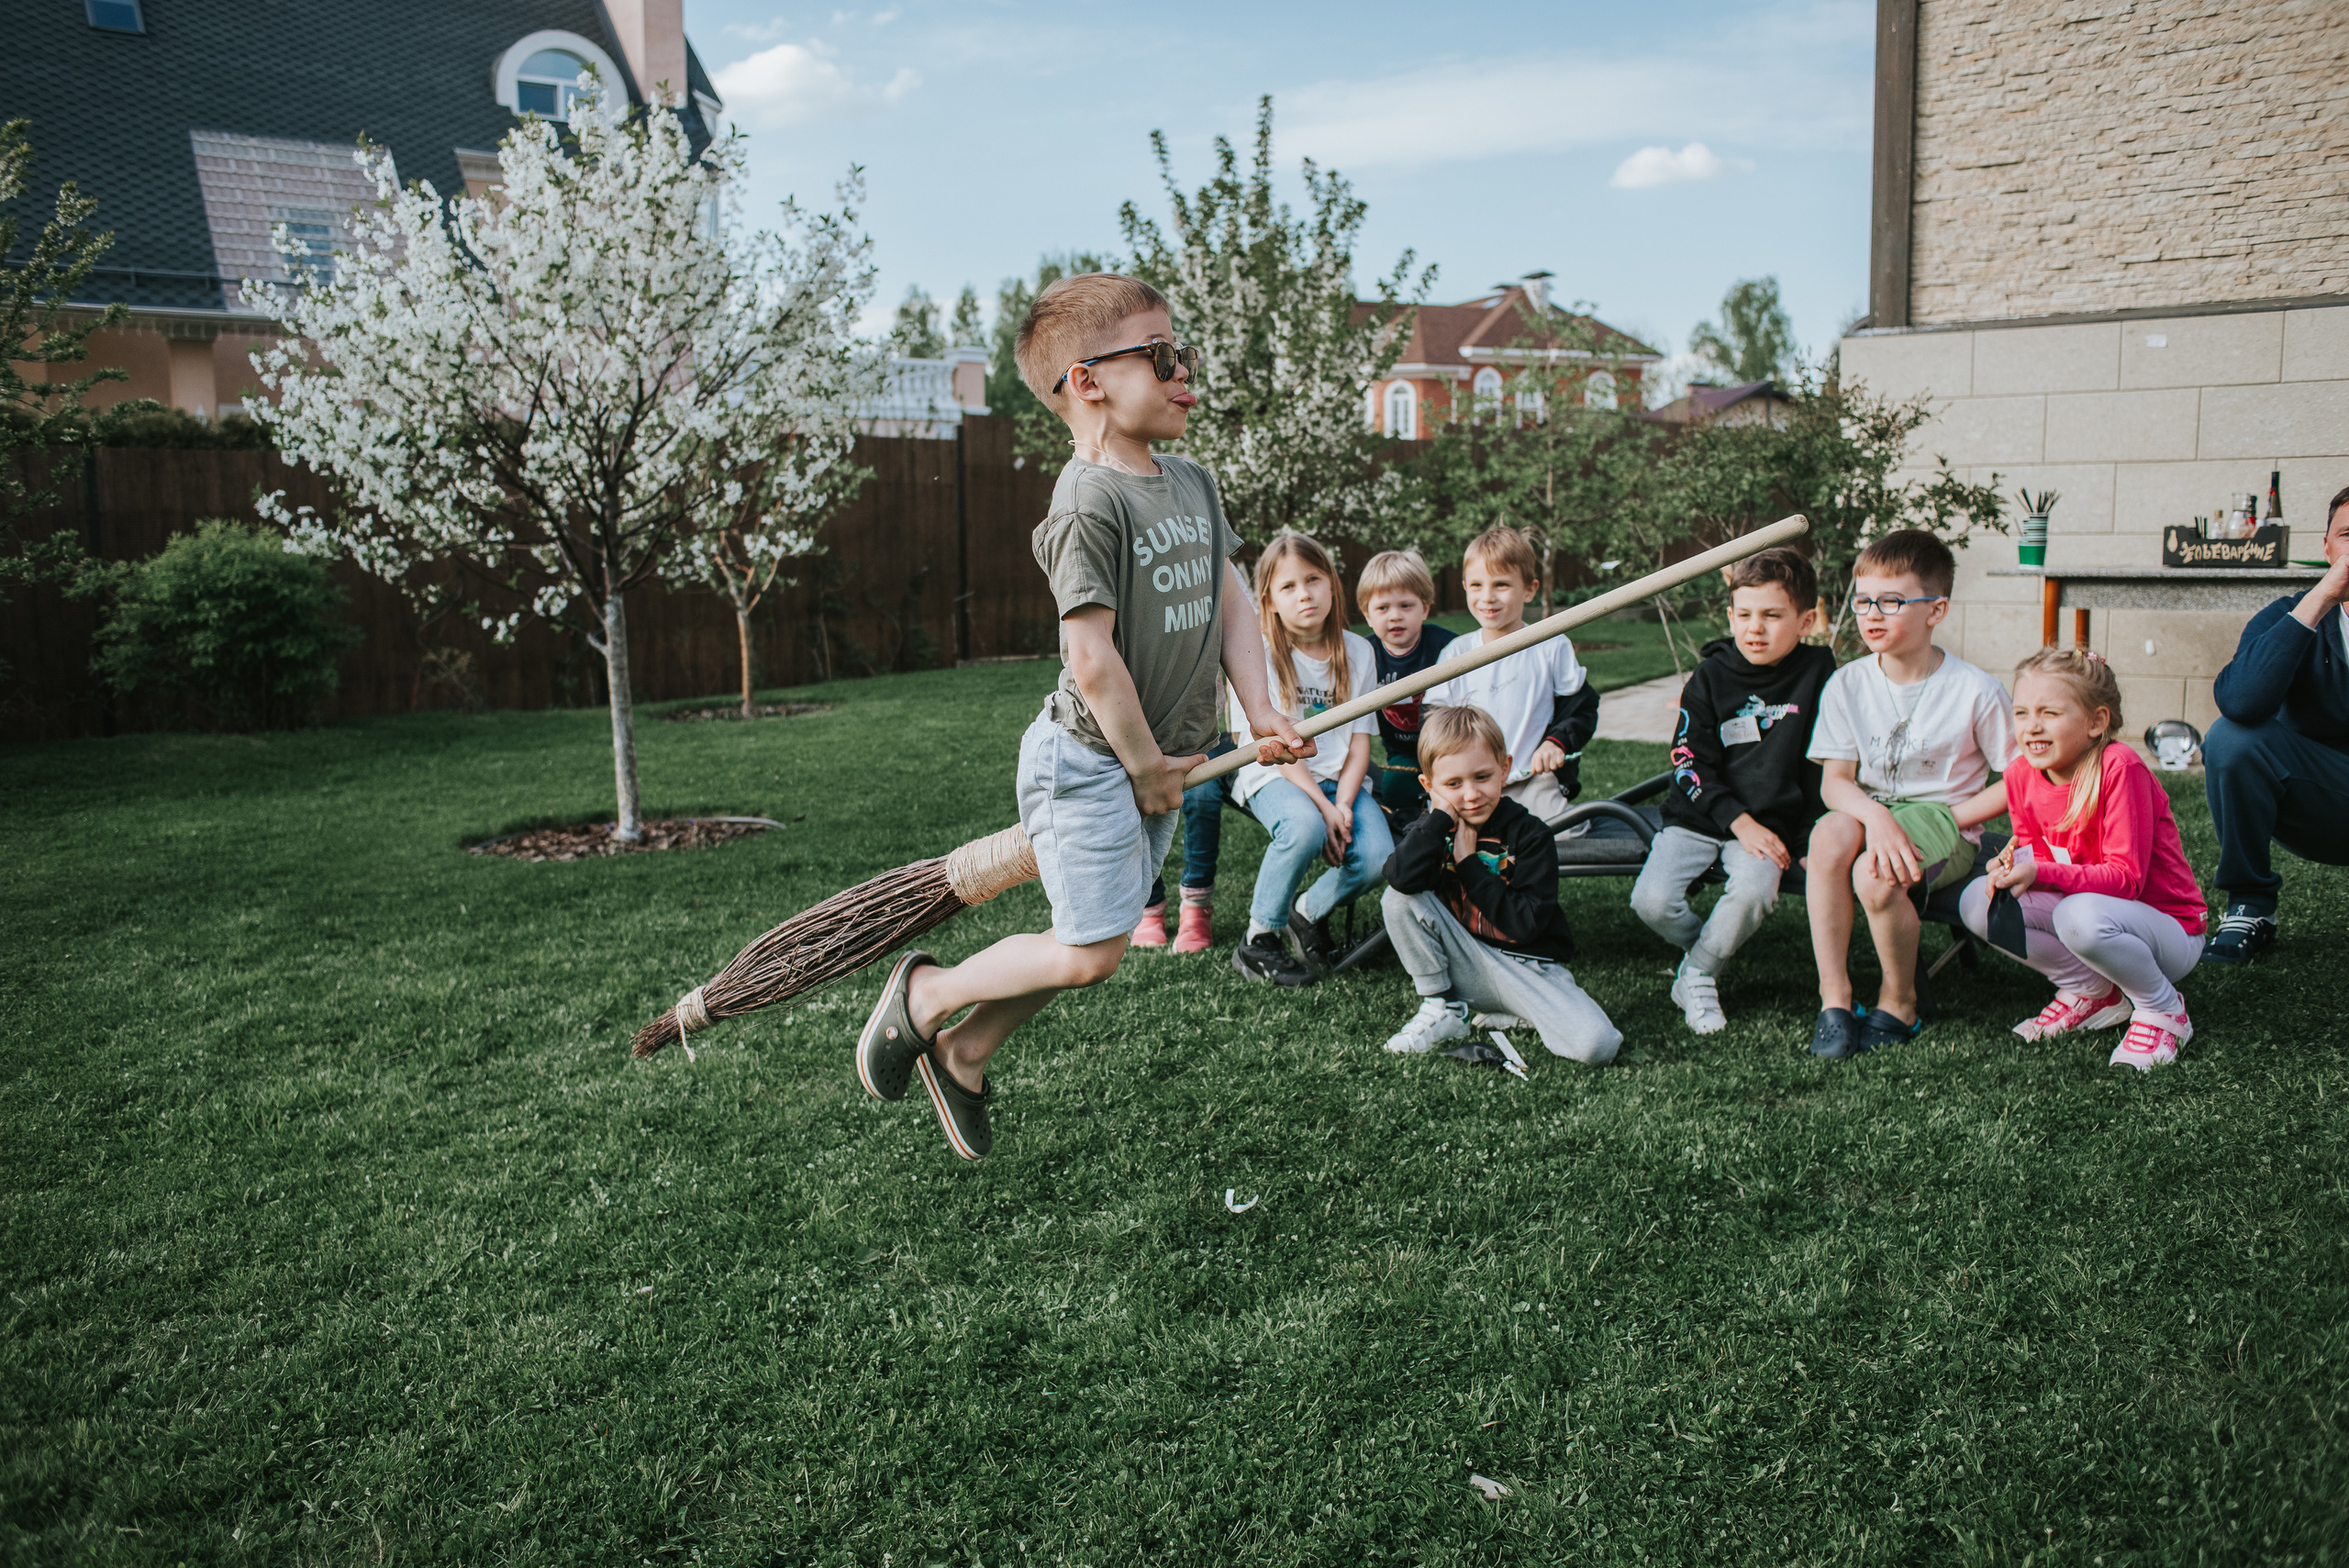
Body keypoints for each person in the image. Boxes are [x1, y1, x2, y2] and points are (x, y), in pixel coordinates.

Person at [855, 273, 1308, 1160]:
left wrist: (1260, 714)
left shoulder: (1192, 483)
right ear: (1088, 380)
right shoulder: (1086, 501)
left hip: (1164, 756)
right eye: (1164, 354)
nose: (1187, 372)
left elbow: (1230, 601)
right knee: (1094, 949)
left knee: (1084, 936)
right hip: (1094, 758)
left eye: (1184, 352)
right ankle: (926, 997)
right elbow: (1090, 659)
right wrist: (1143, 767)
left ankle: (966, 1051)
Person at [1806, 529, 2013, 1060]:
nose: (1872, 614)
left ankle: (1900, 1001)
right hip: (1871, 810)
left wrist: (1951, 817)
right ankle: (1835, 999)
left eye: (1892, 601)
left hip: (1947, 823)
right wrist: (1877, 817)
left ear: (1935, 609)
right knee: (1829, 834)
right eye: (1863, 601)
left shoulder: (1975, 690)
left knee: (1872, 876)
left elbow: (2019, 779)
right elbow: (1836, 783)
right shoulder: (1847, 683)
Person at [1962, 650, 2207, 1069]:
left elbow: (2126, 879)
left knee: (2078, 915)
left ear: (2096, 722)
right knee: (1978, 903)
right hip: (2092, 913)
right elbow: (2033, 848)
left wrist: (2039, 870)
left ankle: (2163, 1008)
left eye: (2049, 713)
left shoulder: (2119, 767)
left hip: (2169, 933)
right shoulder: (2021, 772)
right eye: (2021, 713)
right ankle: (2091, 991)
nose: (2031, 726)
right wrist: (2011, 866)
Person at [1631, 546, 1837, 1034]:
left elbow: (1823, 768)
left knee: (1752, 893)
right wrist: (1737, 821)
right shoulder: (1710, 677)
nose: (1754, 628)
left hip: (1771, 828)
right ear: (1730, 615)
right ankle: (1708, 948)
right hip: (1699, 816)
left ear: (1806, 620)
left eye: (1772, 615)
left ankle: (1699, 974)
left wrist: (1808, 841)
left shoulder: (1820, 675)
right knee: (1651, 902)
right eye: (1743, 615)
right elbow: (1687, 763)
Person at [1378, 705, 1622, 1064]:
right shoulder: (1431, 829)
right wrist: (1438, 818)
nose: (1471, 794)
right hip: (1464, 962)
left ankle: (1514, 1011)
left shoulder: (1531, 834)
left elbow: (1525, 924)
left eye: (1482, 776)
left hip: (1528, 968)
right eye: (1453, 784)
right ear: (1430, 786)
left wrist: (1468, 863)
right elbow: (1399, 877)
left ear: (1504, 770)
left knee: (1597, 1046)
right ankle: (1443, 1006)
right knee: (1398, 898)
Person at [1223, 533, 1394, 985]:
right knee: (1304, 827)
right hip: (1275, 775)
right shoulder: (1257, 654)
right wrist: (1324, 810)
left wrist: (1343, 804)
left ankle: (1305, 911)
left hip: (1342, 781)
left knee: (1378, 856)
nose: (1305, 594)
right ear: (1270, 601)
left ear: (1332, 584)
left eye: (1314, 579)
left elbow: (1360, 742)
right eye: (1289, 586)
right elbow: (1280, 749)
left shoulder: (1358, 651)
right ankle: (1259, 940)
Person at [2199, 483, 2349, 964]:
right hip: (2323, 799)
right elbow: (2240, 703)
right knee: (2232, 739)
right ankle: (2250, 904)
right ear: (2327, 548)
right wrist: (2324, 595)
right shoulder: (2291, 614)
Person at [1423, 525, 1600, 845]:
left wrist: (1557, 743)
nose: (1487, 597)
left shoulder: (1550, 645)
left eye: (1501, 585)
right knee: (1446, 834)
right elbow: (1434, 722)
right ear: (1464, 586)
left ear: (1530, 590)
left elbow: (1583, 709)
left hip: (1530, 777)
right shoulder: (1456, 653)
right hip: (1470, 782)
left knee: (1562, 832)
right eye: (1476, 585)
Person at [1358, 549, 1458, 827]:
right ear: (1367, 614)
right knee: (1397, 786)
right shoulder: (1363, 655)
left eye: (1405, 606)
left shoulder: (1447, 647)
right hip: (1402, 751)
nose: (1394, 617)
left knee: (1454, 786)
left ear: (1425, 608)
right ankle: (1408, 829)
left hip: (1449, 744)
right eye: (1382, 608)